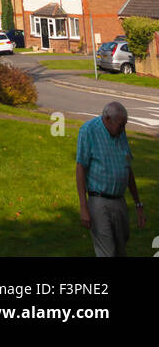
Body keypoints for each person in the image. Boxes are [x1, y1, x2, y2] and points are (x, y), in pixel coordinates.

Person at [76, 100, 146, 257]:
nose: (123, 129)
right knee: (108, 252)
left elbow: (127, 168)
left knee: (121, 249)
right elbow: (80, 168)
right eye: (121, 125)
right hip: (99, 201)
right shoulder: (89, 131)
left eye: (124, 125)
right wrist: (83, 207)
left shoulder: (120, 132)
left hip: (119, 201)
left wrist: (138, 203)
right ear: (107, 119)